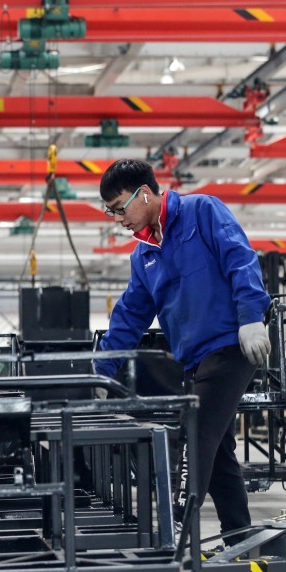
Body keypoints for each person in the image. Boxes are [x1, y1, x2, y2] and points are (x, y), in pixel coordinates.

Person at [93, 158, 271, 546]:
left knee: (194, 439)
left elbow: (240, 259)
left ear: (144, 193)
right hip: (194, 360)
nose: (118, 218)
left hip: (231, 346)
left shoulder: (201, 211)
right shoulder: (143, 257)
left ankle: (174, 535)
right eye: (111, 212)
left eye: (120, 207)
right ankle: (239, 539)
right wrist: (103, 373)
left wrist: (251, 315)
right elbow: (128, 318)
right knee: (218, 451)